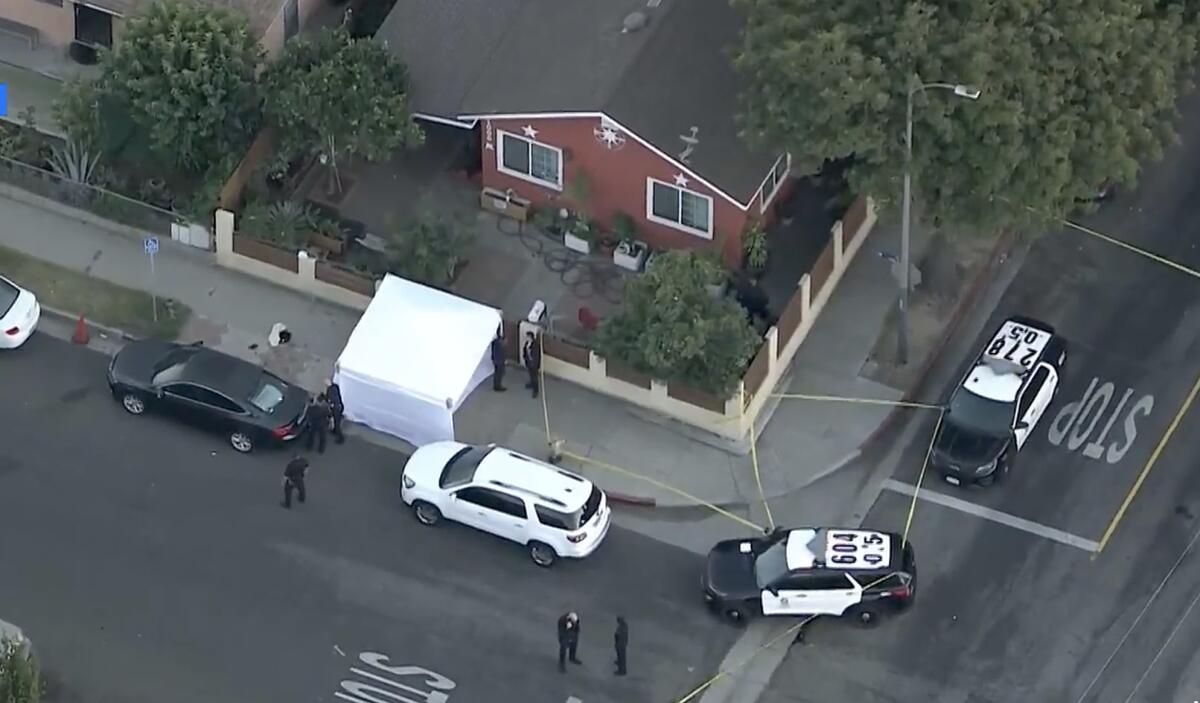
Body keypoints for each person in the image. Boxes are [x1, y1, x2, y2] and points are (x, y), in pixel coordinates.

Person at [325, 380, 345, 444]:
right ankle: (335, 430)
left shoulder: (331, 390)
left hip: (336, 409)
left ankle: (340, 437)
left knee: (337, 423)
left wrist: (330, 403)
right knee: (335, 421)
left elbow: (331, 399)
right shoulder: (335, 387)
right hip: (338, 407)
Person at [523, 331, 542, 399]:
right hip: (529, 363)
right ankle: (531, 384)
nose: (526, 338)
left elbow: (536, 356)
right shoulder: (527, 343)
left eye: (527, 337)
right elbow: (525, 351)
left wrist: (535, 365)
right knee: (531, 375)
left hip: (534, 365)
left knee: (535, 378)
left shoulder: (535, 345)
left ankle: (535, 390)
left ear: (530, 337)